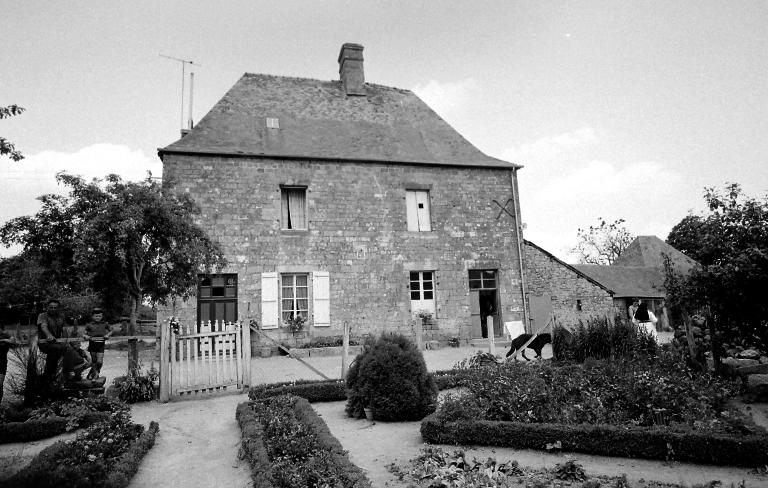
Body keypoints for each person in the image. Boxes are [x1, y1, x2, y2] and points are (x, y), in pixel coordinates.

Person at [37, 299, 89, 386]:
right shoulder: (42, 316)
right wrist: (48, 335)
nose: (53, 309)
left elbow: (65, 330)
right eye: (51, 307)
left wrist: (67, 340)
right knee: (60, 350)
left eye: (55, 307)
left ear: (58, 308)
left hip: (57, 343)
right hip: (45, 343)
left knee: (66, 352)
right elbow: (43, 327)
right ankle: (65, 373)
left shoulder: (61, 316)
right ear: (47, 308)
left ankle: (59, 377)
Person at [84, 307, 110, 379]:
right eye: (96, 316)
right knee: (94, 361)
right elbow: (84, 334)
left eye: (99, 316)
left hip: (101, 344)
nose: (98, 317)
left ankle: (93, 373)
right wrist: (86, 336)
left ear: (102, 316)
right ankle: (95, 375)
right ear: (92, 316)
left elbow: (111, 330)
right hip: (92, 344)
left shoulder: (105, 324)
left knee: (99, 362)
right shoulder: (89, 325)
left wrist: (108, 335)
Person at [0, 323, 15, 404]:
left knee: (0, 384)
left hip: (2, 363)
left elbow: (13, 340)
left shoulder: (6, 335)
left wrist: (3, 340)